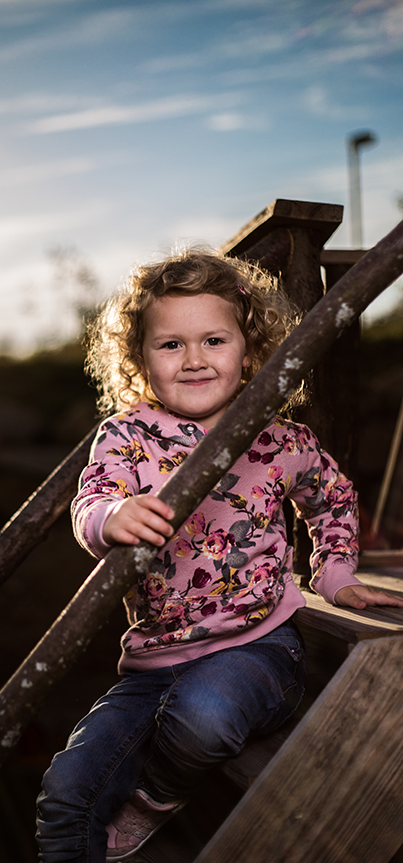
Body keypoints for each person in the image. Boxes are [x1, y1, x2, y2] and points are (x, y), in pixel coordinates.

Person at [35, 248, 403, 863]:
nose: (195, 359)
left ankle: (158, 794)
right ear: (140, 358)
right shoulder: (126, 435)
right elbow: (91, 502)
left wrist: (334, 576)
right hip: (151, 664)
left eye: (213, 339)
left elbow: (332, 499)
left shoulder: (280, 437)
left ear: (250, 348)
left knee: (204, 715)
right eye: (170, 345)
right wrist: (111, 517)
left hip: (257, 648)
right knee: (65, 789)